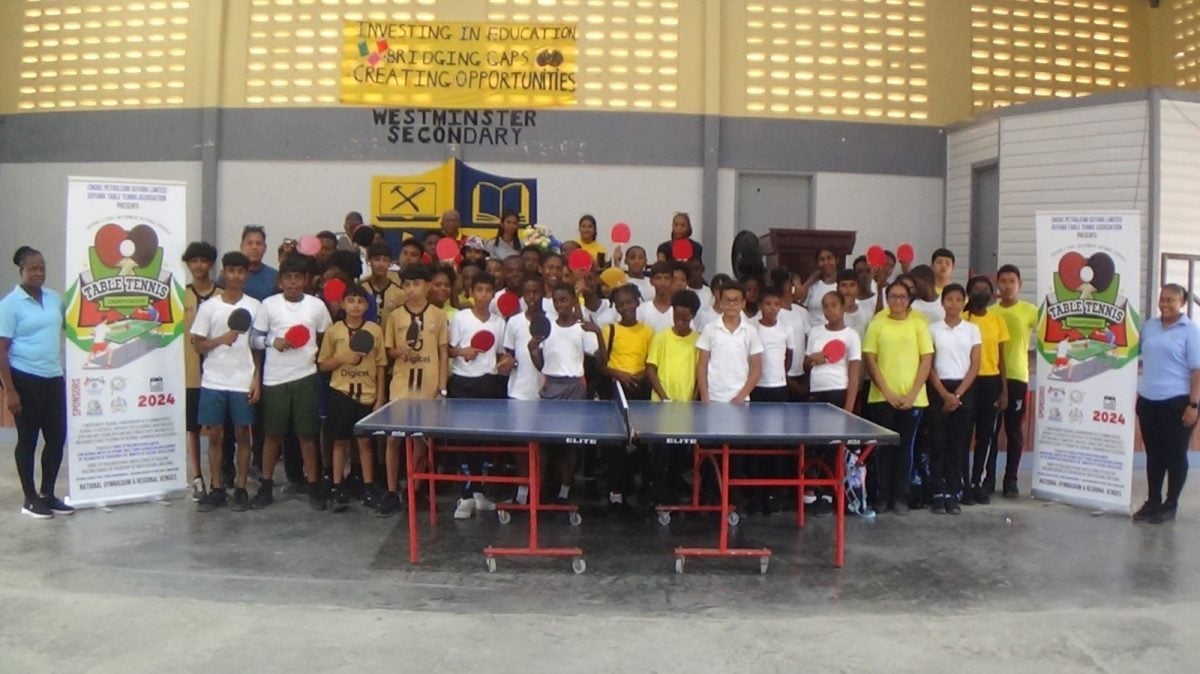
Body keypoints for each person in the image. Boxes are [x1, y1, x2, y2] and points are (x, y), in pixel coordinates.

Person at [250, 254, 332, 510]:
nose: (294, 283)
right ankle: (265, 486)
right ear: (281, 280)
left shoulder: (316, 306)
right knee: (272, 435)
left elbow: (325, 338)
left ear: (306, 280)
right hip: (274, 380)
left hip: (306, 377)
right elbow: (253, 340)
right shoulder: (268, 305)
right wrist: (271, 342)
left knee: (307, 435)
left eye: (298, 278)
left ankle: (314, 486)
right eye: (289, 278)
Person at [0, 246, 71, 519]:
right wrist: (11, 391)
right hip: (24, 378)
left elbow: (74, 326)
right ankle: (30, 498)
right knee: (28, 440)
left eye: (42, 268)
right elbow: (2, 349)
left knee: (56, 437)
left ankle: (47, 494)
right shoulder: (10, 305)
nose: (38, 273)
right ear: (21, 271)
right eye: (32, 269)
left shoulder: (54, 299)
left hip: (53, 377)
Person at [191, 252, 262, 512]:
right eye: (230, 271)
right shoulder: (210, 306)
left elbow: (257, 347)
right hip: (214, 380)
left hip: (242, 380)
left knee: (244, 433)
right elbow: (197, 344)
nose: (235, 276)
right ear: (224, 272)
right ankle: (217, 487)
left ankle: (241, 488)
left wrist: (257, 379)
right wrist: (221, 339)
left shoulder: (255, 306)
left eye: (240, 271)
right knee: (215, 435)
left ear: (246, 274)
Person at [530, 282, 607, 504]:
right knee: (544, 443)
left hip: (574, 388)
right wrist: (532, 349)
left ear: (574, 300)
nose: (560, 304)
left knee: (569, 444)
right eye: (556, 300)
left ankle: (565, 490)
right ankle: (541, 488)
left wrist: (599, 333)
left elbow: (601, 361)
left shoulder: (582, 328)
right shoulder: (547, 328)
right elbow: (540, 364)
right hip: (550, 386)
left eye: (564, 300)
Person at [862, 279, 934, 515]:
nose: (897, 301)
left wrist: (912, 393)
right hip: (882, 398)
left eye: (902, 297)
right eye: (893, 296)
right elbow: (870, 359)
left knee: (906, 450)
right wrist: (887, 392)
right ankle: (882, 497)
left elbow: (926, 360)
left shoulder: (919, 324)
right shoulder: (877, 323)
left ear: (909, 299)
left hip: (913, 399)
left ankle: (901, 498)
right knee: (884, 450)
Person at [383, 264, 449, 517]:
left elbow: (443, 353)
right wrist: (398, 352)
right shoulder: (395, 316)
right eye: (407, 285)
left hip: (429, 385)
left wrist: (442, 389)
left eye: (417, 284)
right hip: (401, 385)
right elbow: (389, 351)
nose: (411, 289)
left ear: (428, 286)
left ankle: (415, 488)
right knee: (394, 438)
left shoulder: (438, 315)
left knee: (421, 440)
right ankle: (391, 490)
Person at [317, 283, 387, 513]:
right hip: (341, 393)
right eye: (351, 300)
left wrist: (380, 397)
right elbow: (323, 364)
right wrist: (342, 358)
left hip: (367, 395)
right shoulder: (334, 331)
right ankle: (337, 486)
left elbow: (380, 365)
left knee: (365, 443)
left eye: (360, 301)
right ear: (343, 303)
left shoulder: (375, 330)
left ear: (367, 305)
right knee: (339, 442)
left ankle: (368, 487)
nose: (355, 305)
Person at [1134, 284, 1200, 524]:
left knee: (1175, 455)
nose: (1164, 304)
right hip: (1149, 401)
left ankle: (1170, 505)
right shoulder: (1150, 327)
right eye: (1162, 299)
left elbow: (1197, 370)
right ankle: (1153, 502)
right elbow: (1132, 350)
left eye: (1170, 300)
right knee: (1154, 455)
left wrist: (1193, 405)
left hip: (1178, 402)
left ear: (1181, 303)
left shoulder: (1190, 331)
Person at [446, 272, 505, 519]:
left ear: (493, 294)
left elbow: (501, 353)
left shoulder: (499, 322)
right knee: (463, 441)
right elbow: (448, 349)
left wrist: (506, 361)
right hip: (462, 384)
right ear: (471, 292)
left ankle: (479, 492)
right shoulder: (460, 318)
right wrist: (463, 351)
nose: (483, 295)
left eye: (487, 290)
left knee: (483, 441)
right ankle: (466, 495)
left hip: (488, 384)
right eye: (478, 290)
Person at [926, 284, 980, 515]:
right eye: (950, 299)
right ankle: (937, 491)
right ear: (943, 302)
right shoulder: (932, 329)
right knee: (938, 443)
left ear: (964, 302)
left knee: (958, 444)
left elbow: (975, 364)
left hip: (963, 389)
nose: (954, 304)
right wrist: (944, 393)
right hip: (939, 389)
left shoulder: (972, 329)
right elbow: (928, 365)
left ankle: (952, 491)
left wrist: (957, 395)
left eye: (959, 300)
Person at [599, 284, 654, 512]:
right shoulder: (608, 330)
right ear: (616, 307)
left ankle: (638, 487)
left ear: (637, 302)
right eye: (621, 304)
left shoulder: (648, 332)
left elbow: (650, 363)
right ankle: (616, 491)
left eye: (629, 302)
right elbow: (601, 365)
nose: (626, 307)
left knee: (640, 442)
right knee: (616, 443)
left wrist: (638, 376)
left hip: (639, 388)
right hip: (616, 389)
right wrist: (619, 374)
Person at [991, 264, 1038, 497]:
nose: (1007, 286)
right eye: (1003, 281)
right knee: (990, 431)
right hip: (991, 378)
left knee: (1014, 432)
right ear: (997, 285)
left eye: (1012, 281)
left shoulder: (1029, 311)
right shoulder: (990, 313)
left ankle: (1011, 479)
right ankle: (987, 478)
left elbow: (1053, 331)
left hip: (1017, 377)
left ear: (1020, 285)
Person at [963, 275, 1009, 504]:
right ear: (969, 293)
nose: (980, 292)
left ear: (991, 295)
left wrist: (1004, 390)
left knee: (985, 436)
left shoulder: (997, 320)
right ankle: (962, 483)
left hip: (991, 383)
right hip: (967, 382)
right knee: (963, 434)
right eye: (976, 288)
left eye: (985, 289)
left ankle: (976, 482)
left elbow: (1002, 357)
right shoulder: (961, 318)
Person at [182, 241, 219, 501]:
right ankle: (197, 476)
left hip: (219, 374)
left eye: (203, 260)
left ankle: (220, 475)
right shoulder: (180, 296)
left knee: (218, 428)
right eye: (193, 261)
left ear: (211, 263)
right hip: (190, 372)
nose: (198, 265)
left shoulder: (222, 296)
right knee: (192, 427)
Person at [697, 282, 763, 404]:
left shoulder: (751, 331)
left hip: (740, 400)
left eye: (736, 301)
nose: (731, 305)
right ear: (720, 302)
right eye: (727, 300)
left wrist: (741, 397)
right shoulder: (709, 329)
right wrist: (705, 396)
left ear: (743, 303)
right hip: (713, 398)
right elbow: (702, 365)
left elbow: (757, 369)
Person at [752, 286, 795, 403]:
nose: (773, 308)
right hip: (757, 385)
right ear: (760, 306)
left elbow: (789, 356)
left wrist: (781, 375)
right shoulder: (751, 327)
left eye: (776, 304)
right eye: (768, 304)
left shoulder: (787, 328)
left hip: (779, 385)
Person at [362, 242, 403, 327]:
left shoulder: (399, 292)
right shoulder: (361, 289)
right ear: (369, 261)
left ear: (390, 263)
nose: (381, 264)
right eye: (377, 259)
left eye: (385, 260)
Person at [237, 225, 279, 302]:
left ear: (265, 247)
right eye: (250, 243)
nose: (254, 247)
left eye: (258, 243)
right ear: (241, 246)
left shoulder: (275, 276)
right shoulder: (231, 275)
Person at [800, 248, 840, 327]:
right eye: (822, 259)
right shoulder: (813, 286)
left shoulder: (842, 286)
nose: (826, 262)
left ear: (836, 260)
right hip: (814, 333)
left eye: (829, 258)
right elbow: (799, 300)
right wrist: (811, 279)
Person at [636, 261, 679, 334]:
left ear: (672, 281)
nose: (662, 283)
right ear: (651, 281)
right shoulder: (642, 310)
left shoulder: (678, 311)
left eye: (666, 278)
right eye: (658, 278)